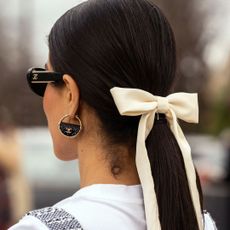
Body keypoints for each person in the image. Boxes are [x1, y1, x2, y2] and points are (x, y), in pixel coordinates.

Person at [9, 0, 217, 229]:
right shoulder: (200, 221)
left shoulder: (43, 227)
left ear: (70, 94)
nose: (43, 96)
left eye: (43, 79)